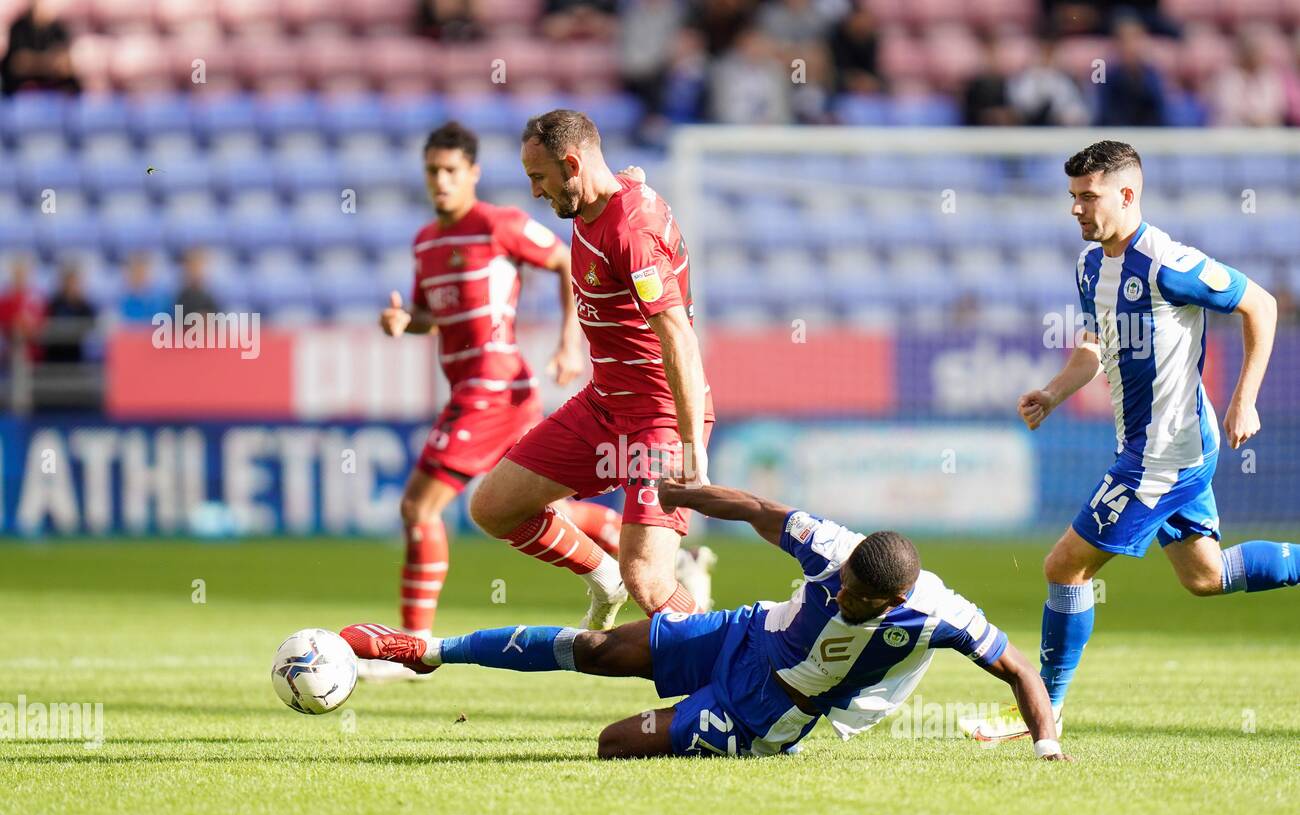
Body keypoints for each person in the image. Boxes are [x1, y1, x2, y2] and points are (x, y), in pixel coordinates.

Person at [341, 479, 1069, 761]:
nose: (839, 594)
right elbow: (755, 509)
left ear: (889, 605)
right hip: (744, 634)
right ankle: (428, 649)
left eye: (850, 598)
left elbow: (1016, 667)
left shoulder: (939, 614)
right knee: (594, 648)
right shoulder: (835, 552)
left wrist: (1045, 747)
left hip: (769, 709)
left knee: (613, 744)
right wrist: (677, 492)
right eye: (841, 586)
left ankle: (704, 680)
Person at [962, 139, 1286, 741]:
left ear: (1127, 194)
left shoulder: (1169, 263)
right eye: (1072, 198)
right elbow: (1095, 344)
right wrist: (1055, 392)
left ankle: (1043, 709)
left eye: (1088, 197)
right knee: (1205, 576)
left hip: (1166, 452)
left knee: (1064, 566)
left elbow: (1260, 306)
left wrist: (1245, 397)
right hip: (1153, 446)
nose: (1077, 209)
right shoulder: (1090, 267)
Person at [364, 120, 629, 680]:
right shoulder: (426, 242)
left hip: (494, 385)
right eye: (432, 171)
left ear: (473, 174)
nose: (439, 181)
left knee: (418, 506)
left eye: (450, 171)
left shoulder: (499, 225)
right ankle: (666, 561)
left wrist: (566, 340)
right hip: (470, 387)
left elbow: (561, 260)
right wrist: (405, 321)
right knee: (541, 509)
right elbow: (430, 317)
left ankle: (414, 645)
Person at [469, 109, 716, 634]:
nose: (535, 192)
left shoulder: (630, 232)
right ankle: (603, 577)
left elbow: (679, 338)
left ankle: (730, 660)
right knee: (493, 508)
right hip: (604, 406)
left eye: (539, 177)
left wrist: (691, 447)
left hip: (658, 418)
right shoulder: (601, 197)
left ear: (573, 163)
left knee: (649, 579)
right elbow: (626, 181)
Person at [0, 1, 79, 97]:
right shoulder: (19, 28)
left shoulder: (57, 28)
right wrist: (50, 63)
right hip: (22, 95)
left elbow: (64, 67)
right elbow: (17, 64)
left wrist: (33, 62)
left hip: (55, 95)